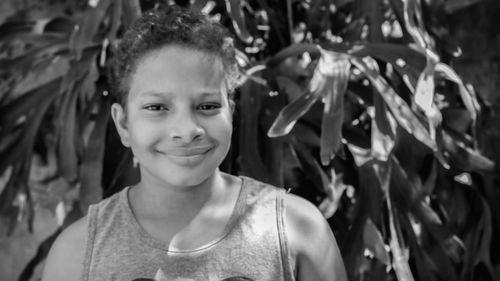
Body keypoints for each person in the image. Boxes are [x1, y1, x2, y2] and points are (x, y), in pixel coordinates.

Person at [41, 5, 347, 281]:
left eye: (207, 106)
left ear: (231, 111)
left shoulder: (297, 230)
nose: (187, 131)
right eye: (157, 108)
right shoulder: (78, 254)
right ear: (123, 123)